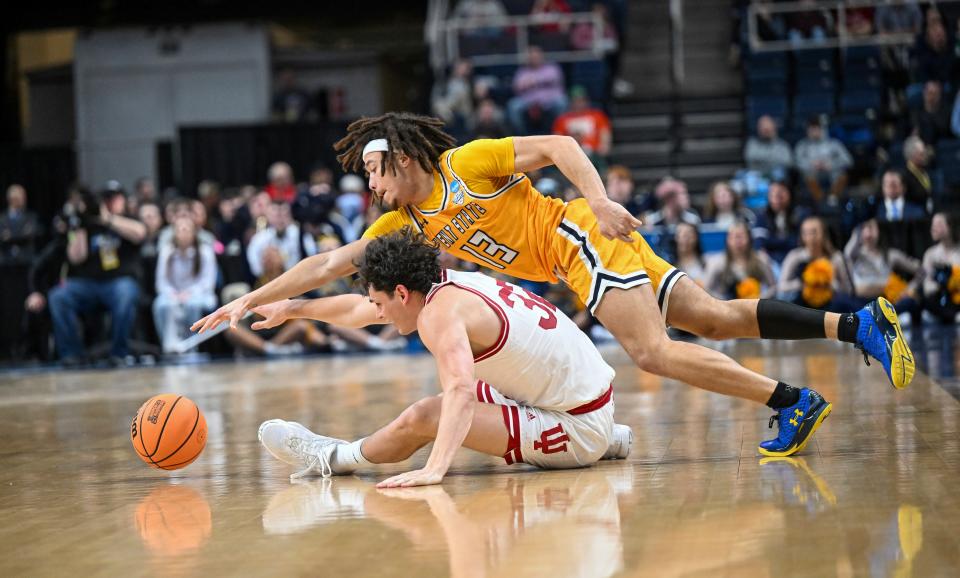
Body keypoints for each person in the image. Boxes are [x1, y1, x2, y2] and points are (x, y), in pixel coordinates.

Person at [196, 112, 914, 459]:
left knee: (654, 353)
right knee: (718, 317)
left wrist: (598, 200)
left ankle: (794, 401)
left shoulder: (467, 164)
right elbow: (329, 266)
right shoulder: (405, 227)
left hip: (580, 237)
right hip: (582, 256)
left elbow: (562, 146)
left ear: (398, 157)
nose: (371, 187)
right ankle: (859, 327)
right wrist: (251, 299)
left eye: (373, 172)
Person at [255, 229, 633, 484]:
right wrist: (292, 308)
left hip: (576, 425)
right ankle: (608, 437)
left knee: (428, 415)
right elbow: (357, 311)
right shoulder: (444, 287)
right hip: (587, 400)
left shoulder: (439, 315)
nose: (377, 312)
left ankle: (333, 458)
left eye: (380, 302)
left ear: (401, 293)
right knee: (470, 389)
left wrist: (435, 469)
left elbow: (461, 392)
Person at [47, 186, 147, 364]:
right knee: (59, 296)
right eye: (106, 198)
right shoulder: (84, 224)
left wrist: (108, 219)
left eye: (115, 198)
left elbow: (140, 233)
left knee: (125, 293)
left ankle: (119, 353)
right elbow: (75, 257)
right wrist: (81, 224)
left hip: (118, 282)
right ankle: (72, 354)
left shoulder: (127, 219)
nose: (110, 202)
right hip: (87, 284)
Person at [153, 218, 218, 354]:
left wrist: (189, 293)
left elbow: (207, 282)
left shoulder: (205, 251)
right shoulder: (167, 251)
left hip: (199, 294)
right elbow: (161, 281)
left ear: (194, 233)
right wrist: (173, 294)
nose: (183, 233)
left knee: (192, 305)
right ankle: (169, 346)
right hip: (173, 294)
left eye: (187, 229)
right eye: (180, 229)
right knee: (161, 305)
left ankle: (191, 347)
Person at [705, 221, 777, 300]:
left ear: (749, 238)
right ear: (727, 240)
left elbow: (774, 288)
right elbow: (706, 290)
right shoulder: (717, 262)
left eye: (741, 236)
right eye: (733, 236)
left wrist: (759, 298)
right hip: (727, 307)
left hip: (755, 305)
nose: (737, 241)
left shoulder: (761, 259)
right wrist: (724, 301)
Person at [794, 116, 853, 204]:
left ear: (822, 128)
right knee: (808, 176)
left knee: (842, 176)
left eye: (817, 128)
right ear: (807, 130)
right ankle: (820, 201)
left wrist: (831, 164)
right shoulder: (802, 145)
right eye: (812, 128)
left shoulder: (834, 143)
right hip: (812, 174)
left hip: (832, 173)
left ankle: (833, 198)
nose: (814, 131)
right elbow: (795, 162)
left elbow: (848, 160)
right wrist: (811, 164)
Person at [743, 115, 793, 181]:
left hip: (776, 179)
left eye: (767, 128)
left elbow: (787, 162)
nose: (765, 131)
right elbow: (750, 158)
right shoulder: (752, 143)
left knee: (779, 173)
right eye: (763, 128)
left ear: (774, 128)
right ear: (758, 129)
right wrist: (773, 161)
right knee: (746, 176)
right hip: (757, 178)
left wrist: (761, 161)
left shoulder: (782, 145)